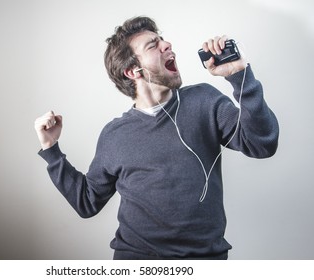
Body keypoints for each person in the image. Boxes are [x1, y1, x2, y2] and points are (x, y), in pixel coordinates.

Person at [34, 16, 279, 260]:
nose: (167, 45)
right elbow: (87, 202)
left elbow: (261, 144)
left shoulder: (205, 101)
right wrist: (51, 149)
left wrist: (239, 75)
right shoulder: (115, 135)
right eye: (153, 45)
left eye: (162, 40)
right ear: (132, 71)